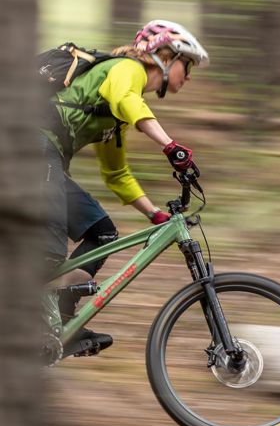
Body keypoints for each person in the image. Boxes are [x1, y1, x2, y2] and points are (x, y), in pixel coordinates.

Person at [42, 20, 209, 357]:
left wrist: (155, 214)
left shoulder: (113, 120)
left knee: (101, 232)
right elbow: (126, 100)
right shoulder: (125, 69)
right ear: (164, 55)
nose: (187, 76)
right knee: (50, 248)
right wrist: (170, 146)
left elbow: (117, 174)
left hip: (46, 160)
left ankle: (61, 322)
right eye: (186, 65)